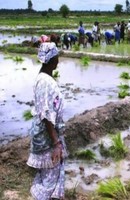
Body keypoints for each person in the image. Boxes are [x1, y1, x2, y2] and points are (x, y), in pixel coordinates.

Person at [27, 42, 68, 200]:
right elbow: (45, 114)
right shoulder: (45, 82)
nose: (58, 60)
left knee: (49, 174)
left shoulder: (43, 78)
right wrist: (56, 142)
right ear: (52, 59)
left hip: (47, 134)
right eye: (57, 56)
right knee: (50, 177)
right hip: (47, 137)